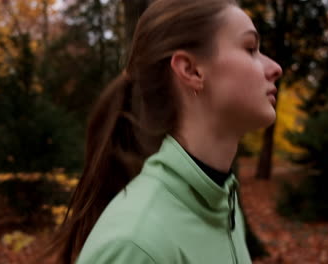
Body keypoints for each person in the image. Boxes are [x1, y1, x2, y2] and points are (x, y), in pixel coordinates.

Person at [44, 0, 282, 263]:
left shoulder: (223, 206)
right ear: (191, 70)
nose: (275, 68)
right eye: (250, 48)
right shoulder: (137, 244)